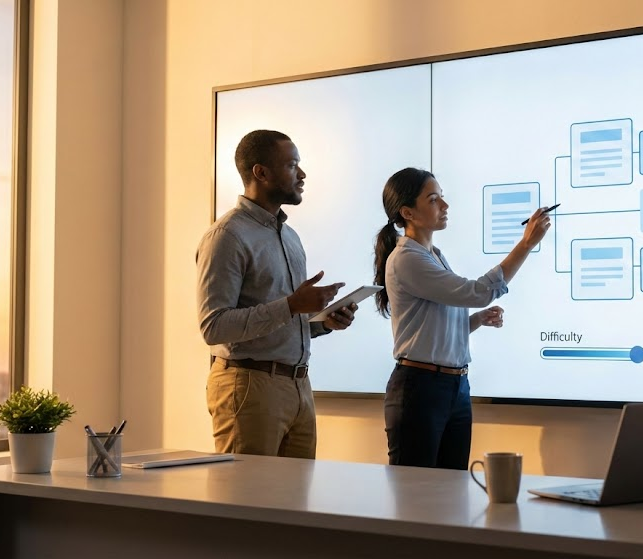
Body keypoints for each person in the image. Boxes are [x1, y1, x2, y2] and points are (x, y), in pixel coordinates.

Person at [373, 167, 551, 469]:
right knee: (415, 496)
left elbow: (430, 329)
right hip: (421, 387)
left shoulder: (435, 255)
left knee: (451, 492)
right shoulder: (407, 258)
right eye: (433, 199)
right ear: (408, 212)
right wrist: (525, 245)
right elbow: (478, 292)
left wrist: (475, 320)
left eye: (442, 197)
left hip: (454, 386)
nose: (444, 206)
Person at [196, 129, 357, 459]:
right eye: (292, 165)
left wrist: (324, 322)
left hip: (299, 386)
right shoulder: (227, 236)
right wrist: (292, 305)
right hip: (249, 386)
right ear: (261, 172)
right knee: (248, 504)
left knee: (295, 508)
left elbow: (285, 317)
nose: (303, 174)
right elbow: (214, 327)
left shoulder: (291, 237)